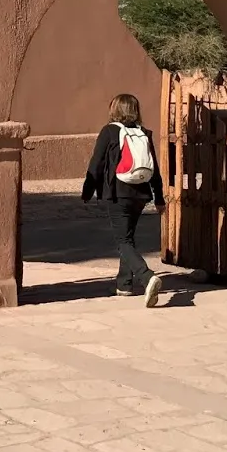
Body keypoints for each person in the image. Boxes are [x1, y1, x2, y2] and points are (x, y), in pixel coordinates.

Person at [81, 92, 168, 307]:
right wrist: (159, 198)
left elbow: (96, 164)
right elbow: (154, 169)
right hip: (140, 195)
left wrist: (87, 191)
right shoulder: (143, 134)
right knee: (128, 237)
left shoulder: (109, 132)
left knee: (123, 241)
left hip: (117, 193)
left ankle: (147, 277)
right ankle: (124, 284)